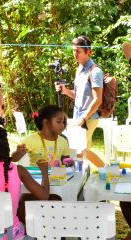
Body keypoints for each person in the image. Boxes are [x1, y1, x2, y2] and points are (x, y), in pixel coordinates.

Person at [54, 35, 105, 167]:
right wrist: (65, 91)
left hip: (88, 117)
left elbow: (97, 100)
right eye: (73, 50)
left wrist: (83, 118)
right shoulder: (79, 69)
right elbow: (79, 95)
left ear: (88, 52)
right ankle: (105, 170)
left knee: (76, 150)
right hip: (79, 116)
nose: (75, 54)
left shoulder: (95, 72)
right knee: (83, 151)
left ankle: (104, 171)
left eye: (78, 51)